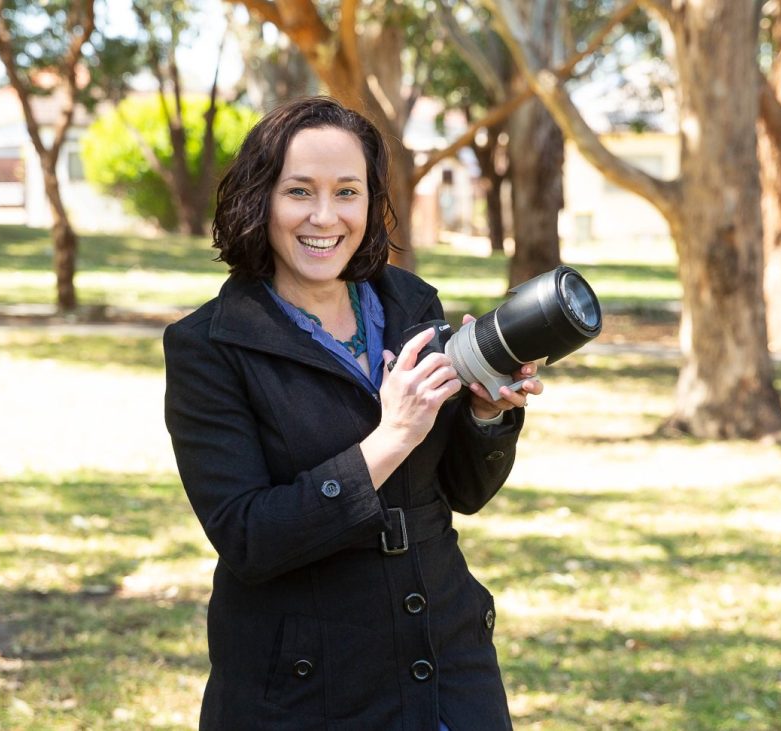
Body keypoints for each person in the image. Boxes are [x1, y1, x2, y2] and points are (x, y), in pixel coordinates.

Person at [163, 96, 543, 730]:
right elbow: (248, 538)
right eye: (299, 191)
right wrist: (390, 437)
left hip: (448, 664)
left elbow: (463, 492)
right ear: (259, 200)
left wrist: (483, 414)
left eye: (347, 191)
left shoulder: (410, 300)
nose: (324, 216)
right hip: (305, 687)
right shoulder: (209, 345)